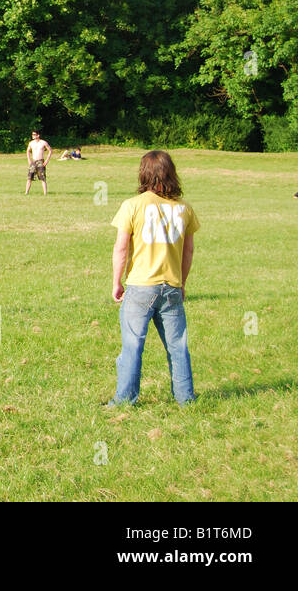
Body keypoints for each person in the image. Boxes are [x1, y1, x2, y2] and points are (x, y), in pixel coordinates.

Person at [105, 150, 200, 406]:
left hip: (140, 286)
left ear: (144, 173)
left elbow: (121, 248)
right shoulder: (184, 208)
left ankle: (125, 400)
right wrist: (182, 283)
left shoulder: (132, 206)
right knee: (177, 346)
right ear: (172, 172)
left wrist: (116, 281)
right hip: (171, 286)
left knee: (133, 346)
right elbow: (188, 250)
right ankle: (185, 398)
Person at [24, 130, 52, 195]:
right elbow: (28, 151)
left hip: (40, 161)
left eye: (34, 134)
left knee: (42, 178)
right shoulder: (31, 143)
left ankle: (45, 193)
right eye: (32, 134)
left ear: (38, 135)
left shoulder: (43, 142)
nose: (33, 136)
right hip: (33, 161)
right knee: (29, 177)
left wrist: (47, 161)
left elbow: (50, 151)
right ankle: (26, 192)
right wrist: (29, 159)